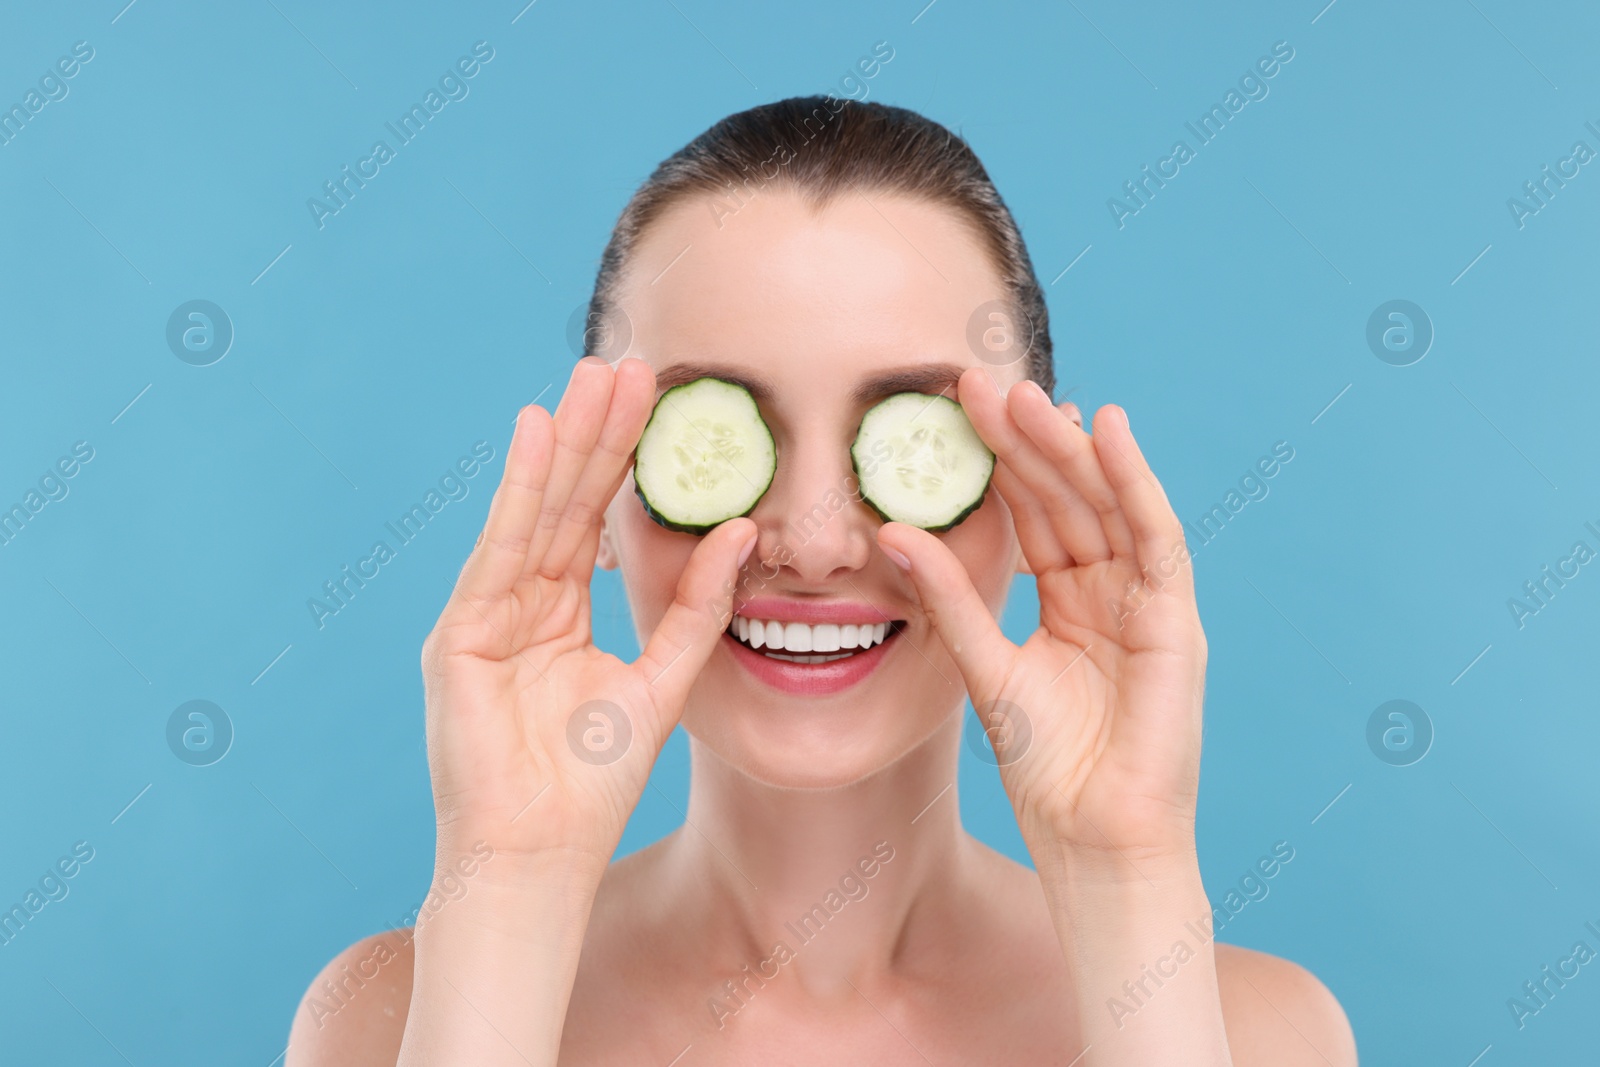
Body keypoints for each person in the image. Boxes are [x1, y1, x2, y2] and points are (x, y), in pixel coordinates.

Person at [287, 96, 1356, 1066]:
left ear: (1038, 493)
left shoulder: (1259, 1032)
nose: (809, 540)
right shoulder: (384, 1019)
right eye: (707, 427)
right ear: (598, 490)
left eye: (909, 438)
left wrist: (1128, 874)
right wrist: (506, 890)